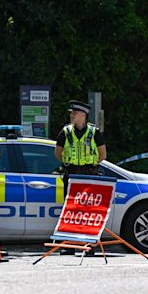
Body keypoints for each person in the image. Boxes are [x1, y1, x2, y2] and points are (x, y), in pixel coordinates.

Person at [54, 100, 107, 255]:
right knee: (70, 210)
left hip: (89, 175)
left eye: (74, 113)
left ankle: (89, 246)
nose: (72, 115)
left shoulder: (94, 132)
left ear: (83, 115)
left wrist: (90, 165)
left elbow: (103, 154)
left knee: (89, 211)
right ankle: (69, 244)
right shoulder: (65, 132)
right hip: (72, 174)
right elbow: (58, 153)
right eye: (71, 113)